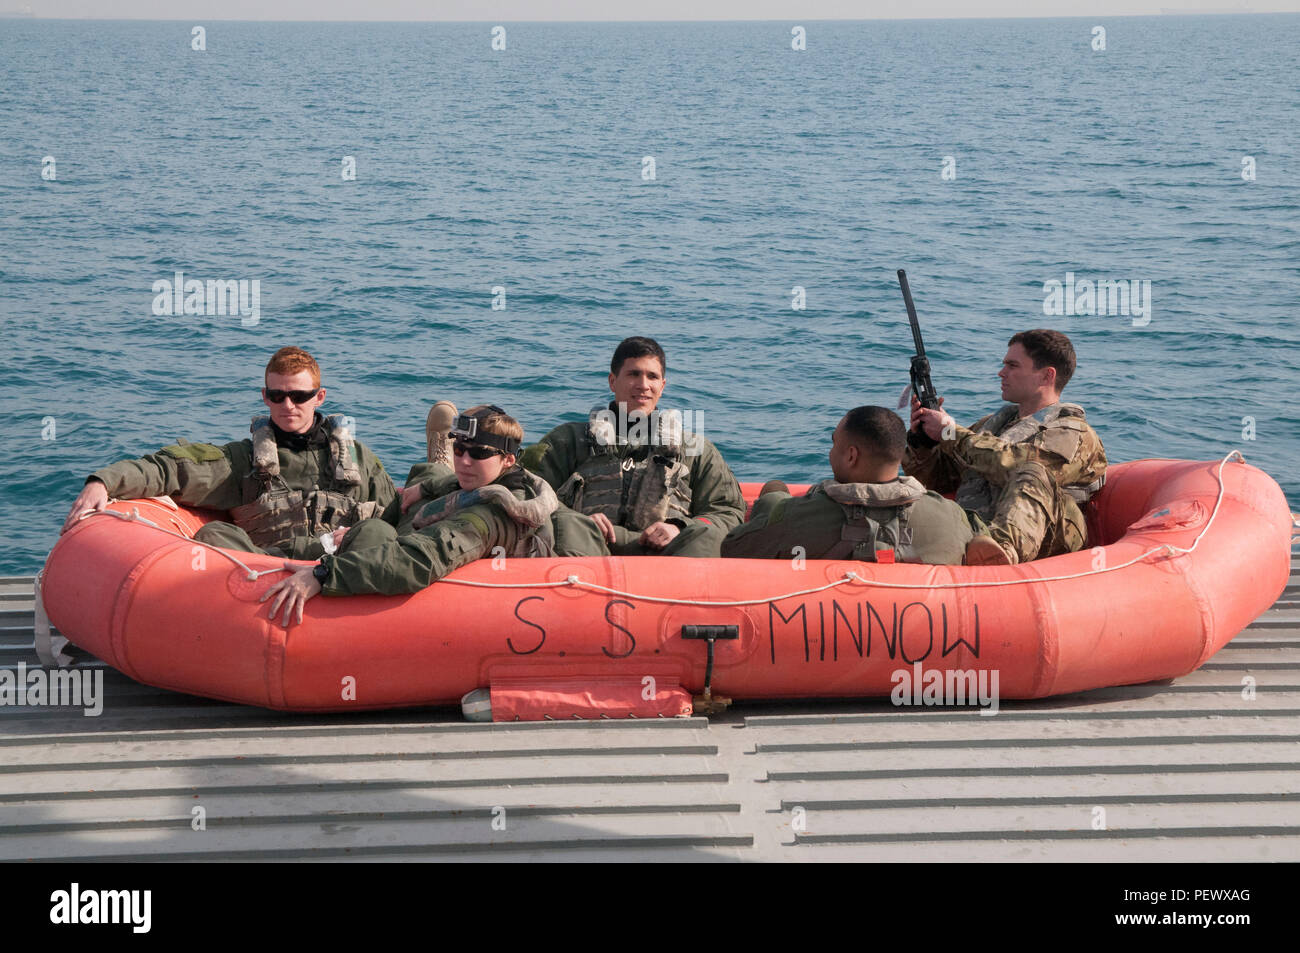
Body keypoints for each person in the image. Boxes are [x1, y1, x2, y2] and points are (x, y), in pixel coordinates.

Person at [61, 347, 396, 559]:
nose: (287, 405)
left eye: (299, 396)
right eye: (276, 396)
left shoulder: (358, 459)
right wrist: (102, 482)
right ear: (265, 397)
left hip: (344, 573)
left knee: (378, 532)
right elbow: (168, 469)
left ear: (319, 397)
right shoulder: (242, 461)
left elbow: (393, 519)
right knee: (213, 536)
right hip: (266, 574)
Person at [262, 404, 557, 625]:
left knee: (373, 532)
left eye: (478, 454)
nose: (465, 461)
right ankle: (435, 461)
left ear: (508, 460)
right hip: (421, 525)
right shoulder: (505, 478)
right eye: (459, 449)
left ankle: (304, 549)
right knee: (426, 476)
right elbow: (461, 480)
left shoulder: (490, 516)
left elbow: (420, 560)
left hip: (438, 576)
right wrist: (429, 486)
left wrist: (325, 573)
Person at [519, 336, 745, 557]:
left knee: (703, 533)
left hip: (669, 555)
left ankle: (681, 592)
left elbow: (727, 510)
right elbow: (527, 490)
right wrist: (577, 520)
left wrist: (679, 527)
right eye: (634, 374)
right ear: (612, 381)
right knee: (566, 524)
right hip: (588, 550)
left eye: (652, 377)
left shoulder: (696, 450)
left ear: (662, 386)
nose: (643, 385)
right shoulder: (567, 440)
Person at [904, 329, 1108, 565]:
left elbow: (1013, 464)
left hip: (1047, 538)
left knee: (1032, 470)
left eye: (1012, 365)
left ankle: (1001, 553)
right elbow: (939, 480)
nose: (1002, 373)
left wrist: (950, 433)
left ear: (1046, 376)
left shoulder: (1075, 433)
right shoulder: (991, 426)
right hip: (975, 528)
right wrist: (924, 440)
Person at [722, 406, 972, 564]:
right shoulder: (949, 516)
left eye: (834, 443)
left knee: (774, 496)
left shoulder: (798, 517)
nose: (831, 451)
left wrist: (772, 508)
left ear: (851, 456)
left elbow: (733, 547)